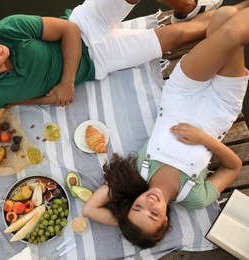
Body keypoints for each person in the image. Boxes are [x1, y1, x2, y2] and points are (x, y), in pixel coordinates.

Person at [82, 1, 249, 249]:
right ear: (165, 220)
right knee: (224, 17)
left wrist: (127, 222)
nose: (150, 202)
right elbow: (233, 167)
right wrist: (204, 140)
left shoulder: (139, 172)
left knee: (230, 30)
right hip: (221, 106)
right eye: (153, 214)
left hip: (184, 92)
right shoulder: (194, 197)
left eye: (139, 206)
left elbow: (89, 209)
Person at [0, 0, 221, 110]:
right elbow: (9, 101)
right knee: (183, 35)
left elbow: (70, 30)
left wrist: (66, 83)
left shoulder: (9, 28)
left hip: (85, 24)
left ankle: (190, 5)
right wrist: (45, 99)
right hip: (100, 61)